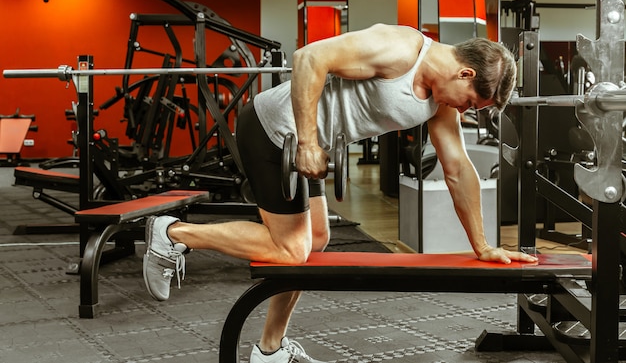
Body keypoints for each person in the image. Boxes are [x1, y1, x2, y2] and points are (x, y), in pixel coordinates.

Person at [142, 23, 539, 363]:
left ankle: (269, 350)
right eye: (470, 103)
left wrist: (483, 245)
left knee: (315, 239)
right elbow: (309, 58)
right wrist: (309, 144)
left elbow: (458, 170)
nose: (465, 111)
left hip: (302, 143)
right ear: (465, 74)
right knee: (290, 250)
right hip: (273, 130)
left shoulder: (440, 103)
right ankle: (171, 234)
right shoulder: (399, 48)